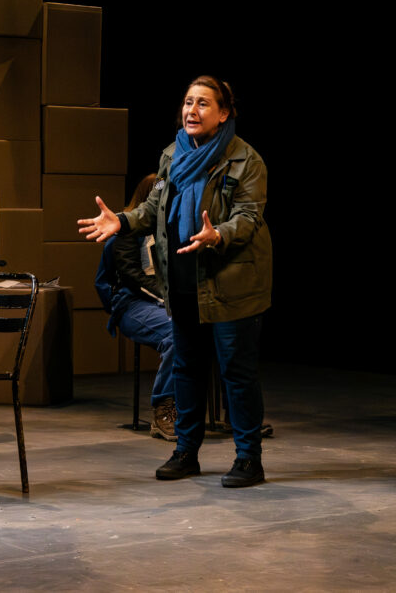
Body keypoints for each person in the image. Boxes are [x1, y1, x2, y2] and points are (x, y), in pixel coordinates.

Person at [79, 75, 272, 487]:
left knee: (237, 373)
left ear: (223, 113)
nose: (192, 110)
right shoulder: (173, 154)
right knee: (187, 369)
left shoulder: (246, 160)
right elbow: (152, 209)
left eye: (203, 103)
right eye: (188, 102)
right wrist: (122, 221)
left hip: (230, 282)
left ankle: (248, 459)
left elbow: (249, 217)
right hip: (183, 281)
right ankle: (186, 451)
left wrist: (218, 234)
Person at [95, 174, 178, 441]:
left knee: (222, 327)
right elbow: (133, 277)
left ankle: (237, 413)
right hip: (134, 304)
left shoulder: (173, 227)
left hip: (165, 302)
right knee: (177, 334)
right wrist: (168, 299)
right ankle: (164, 411)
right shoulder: (126, 231)